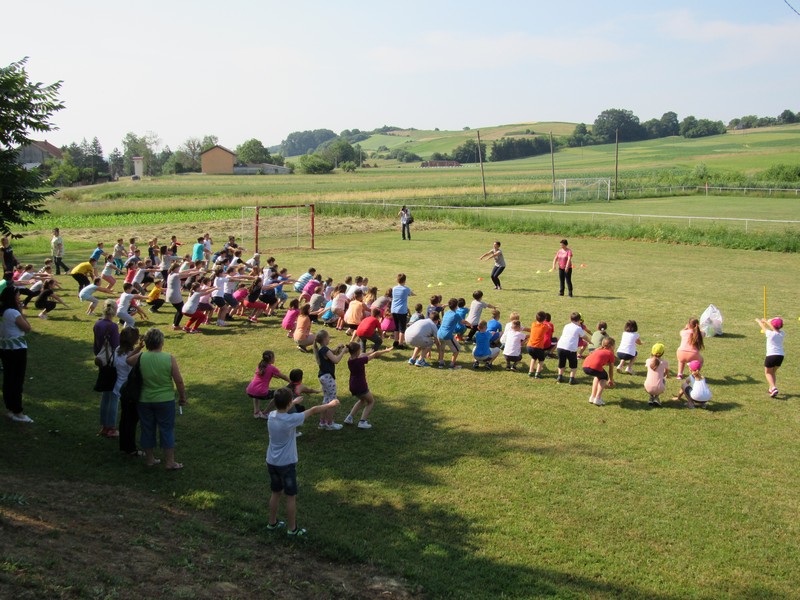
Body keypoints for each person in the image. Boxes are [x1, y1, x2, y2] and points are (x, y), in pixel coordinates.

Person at [266, 388, 339, 536]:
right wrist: (331, 404)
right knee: (290, 496)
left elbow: (282, 409)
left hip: (272, 462)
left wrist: (292, 402)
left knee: (275, 493)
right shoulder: (291, 420)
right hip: (286, 464)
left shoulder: (271, 416)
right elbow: (313, 410)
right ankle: (292, 529)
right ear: (287, 404)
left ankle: (272, 523)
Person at [129, 328, 187, 469]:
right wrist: (182, 397)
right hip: (165, 399)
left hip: (144, 399)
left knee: (147, 428)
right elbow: (178, 380)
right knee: (166, 429)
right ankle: (170, 462)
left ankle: (150, 459)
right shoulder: (168, 358)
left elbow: (128, 360)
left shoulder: (141, 357)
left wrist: (139, 348)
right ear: (161, 342)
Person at [0, 286, 33, 423]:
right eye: (18, 295)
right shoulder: (13, 312)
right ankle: (17, 412)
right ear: (13, 297)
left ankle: (10, 408)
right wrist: (21, 311)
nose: (19, 297)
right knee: (16, 381)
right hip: (16, 349)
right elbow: (27, 328)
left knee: (8, 379)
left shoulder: (2, 311)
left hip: (4, 348)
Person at [343, 342, 393, 429]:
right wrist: (386, 351)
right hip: (360, 385)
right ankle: (362, 422)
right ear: (357, 351)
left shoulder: (350, 360)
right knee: (371, 402)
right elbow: (375, 354)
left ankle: (349, 418)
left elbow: (362, 354)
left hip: (353, 385)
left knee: (362, 400)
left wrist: (369, 352)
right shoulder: (359, 361)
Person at [115, 326, 144, 456]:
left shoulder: (117, 350)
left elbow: (128, 356)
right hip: (130, 390)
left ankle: (124, 445)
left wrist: (139, 348)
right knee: (131, 421)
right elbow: (132, 361)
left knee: (125, 419)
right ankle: (130, 449)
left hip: (120, 387)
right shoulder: (133, 358)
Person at [94, 299, 121, 437]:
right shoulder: (112, 326)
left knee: (105, 396)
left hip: (102, 361)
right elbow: (117, 347)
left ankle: (104, 426)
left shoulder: (98, 324)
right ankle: (111, 427)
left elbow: (96, 345)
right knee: (113, 396)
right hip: (111, 363)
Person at [313, 329, 348, 430]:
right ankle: (330, 423)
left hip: (323, 376)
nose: (329, 339)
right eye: (328, 337)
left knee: (326, 399)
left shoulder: (322, 349)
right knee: (333, 401)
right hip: (328, 377)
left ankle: (322, 422)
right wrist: (343, 352)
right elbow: (336, 360)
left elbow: (332, 353)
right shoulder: (325, 350)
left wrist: (338, 348)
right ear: (324, 339)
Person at [247, 350, 291, 418]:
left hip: (250, 390)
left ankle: (256, 413)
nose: (274, 359)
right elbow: (283, 376)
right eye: (274, 357)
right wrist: (291, 382)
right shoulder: (272, 368)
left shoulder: (260, 365)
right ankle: (265, 413)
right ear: (271, 359)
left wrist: (272, 375)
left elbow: (263, 374)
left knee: (256, 395)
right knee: (278, 395)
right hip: (261, 392)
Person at [556, 312, 591, 384]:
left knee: (561, 362)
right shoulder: (578, 328)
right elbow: (584, 337)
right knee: (573, 365)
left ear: (570, 319)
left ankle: (560, 376)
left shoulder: (566, 326)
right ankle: (571, 379)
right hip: (570, 348)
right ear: (579, 320)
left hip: (560, 346)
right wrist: (590, 342)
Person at [755, 317, 785, 398]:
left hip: (771, 356)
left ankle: (774, 388)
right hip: (780, 356)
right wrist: (767, 322)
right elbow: (774, 328)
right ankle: (771, 389)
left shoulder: (770, 334)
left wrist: (759, 321)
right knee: (772, 373)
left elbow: (763, 327)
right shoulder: (782, 333)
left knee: (768, 373)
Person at [391, 273, 414, 348]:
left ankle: (395, 341)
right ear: (404, 280)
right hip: (401, 310)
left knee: (396, 327)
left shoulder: (394, 288)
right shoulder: (406, 289)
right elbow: (411, 293)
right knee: (402, 328)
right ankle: (400, 344)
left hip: (393, 309)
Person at [644, 343, 669, 407]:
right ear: (662, 353)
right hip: (659, 388)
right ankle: (656, 397)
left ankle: (651, 397)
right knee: (663, 380)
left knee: (650, 379)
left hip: (647, 387)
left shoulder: (648, 361)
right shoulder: (664, 362)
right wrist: (666, 375)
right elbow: (666, 373)